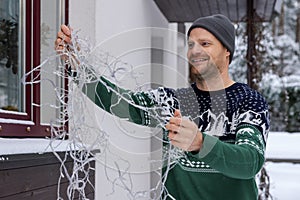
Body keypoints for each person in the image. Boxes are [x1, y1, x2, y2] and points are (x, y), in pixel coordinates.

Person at [55, 14, 270, 200]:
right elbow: (119, 103)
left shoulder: (248, 102)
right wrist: (77, 66)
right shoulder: (175, 101)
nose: (195, 51)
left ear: (227, 52)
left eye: (205, 44)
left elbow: (249, 161)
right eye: (191, 44)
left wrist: (200, 143)